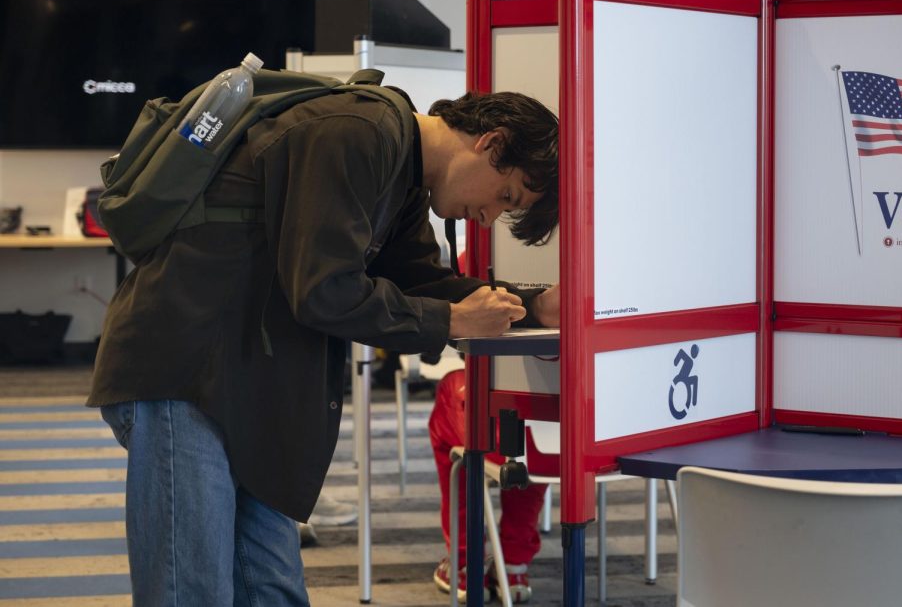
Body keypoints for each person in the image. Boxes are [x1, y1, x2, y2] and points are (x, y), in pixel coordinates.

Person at [87, 86, 560, 605]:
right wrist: (449, 319)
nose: (488, 217)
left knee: (273, 590)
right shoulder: (358, 132)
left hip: (245, 380)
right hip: (182, 374)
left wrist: (531, 306)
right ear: (491, 143)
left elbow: (417, 281)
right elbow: (323, 291)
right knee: (191, 592)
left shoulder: (400, 170)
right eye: (506, 196)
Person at [429, 368, 548, 603]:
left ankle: (465, 566)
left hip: (494, 434)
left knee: (455, 392)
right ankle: (514, 566)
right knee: (536, 433)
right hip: (591, 437)